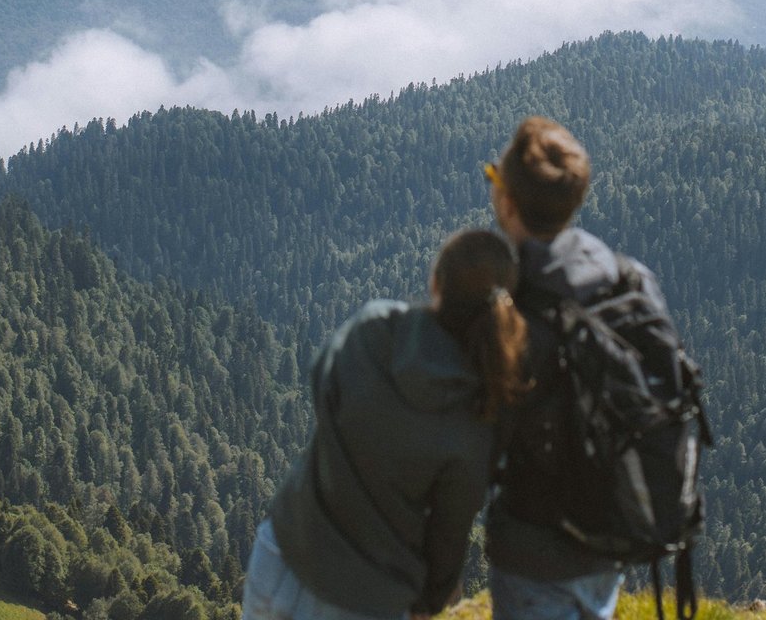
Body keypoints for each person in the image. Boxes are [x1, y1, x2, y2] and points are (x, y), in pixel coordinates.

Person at [245, 228, 530, 620]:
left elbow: (320, 384)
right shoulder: (475, 420)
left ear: (435, 282)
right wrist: (427, 603)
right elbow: (447, 538)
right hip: (366, 599)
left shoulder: (373, 327)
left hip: (282, 552)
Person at [484, 116, 672, 620]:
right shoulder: (628, 279)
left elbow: (478, 438)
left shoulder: (509, 310)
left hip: (532, 550)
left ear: (507, 202)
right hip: (609, 533)